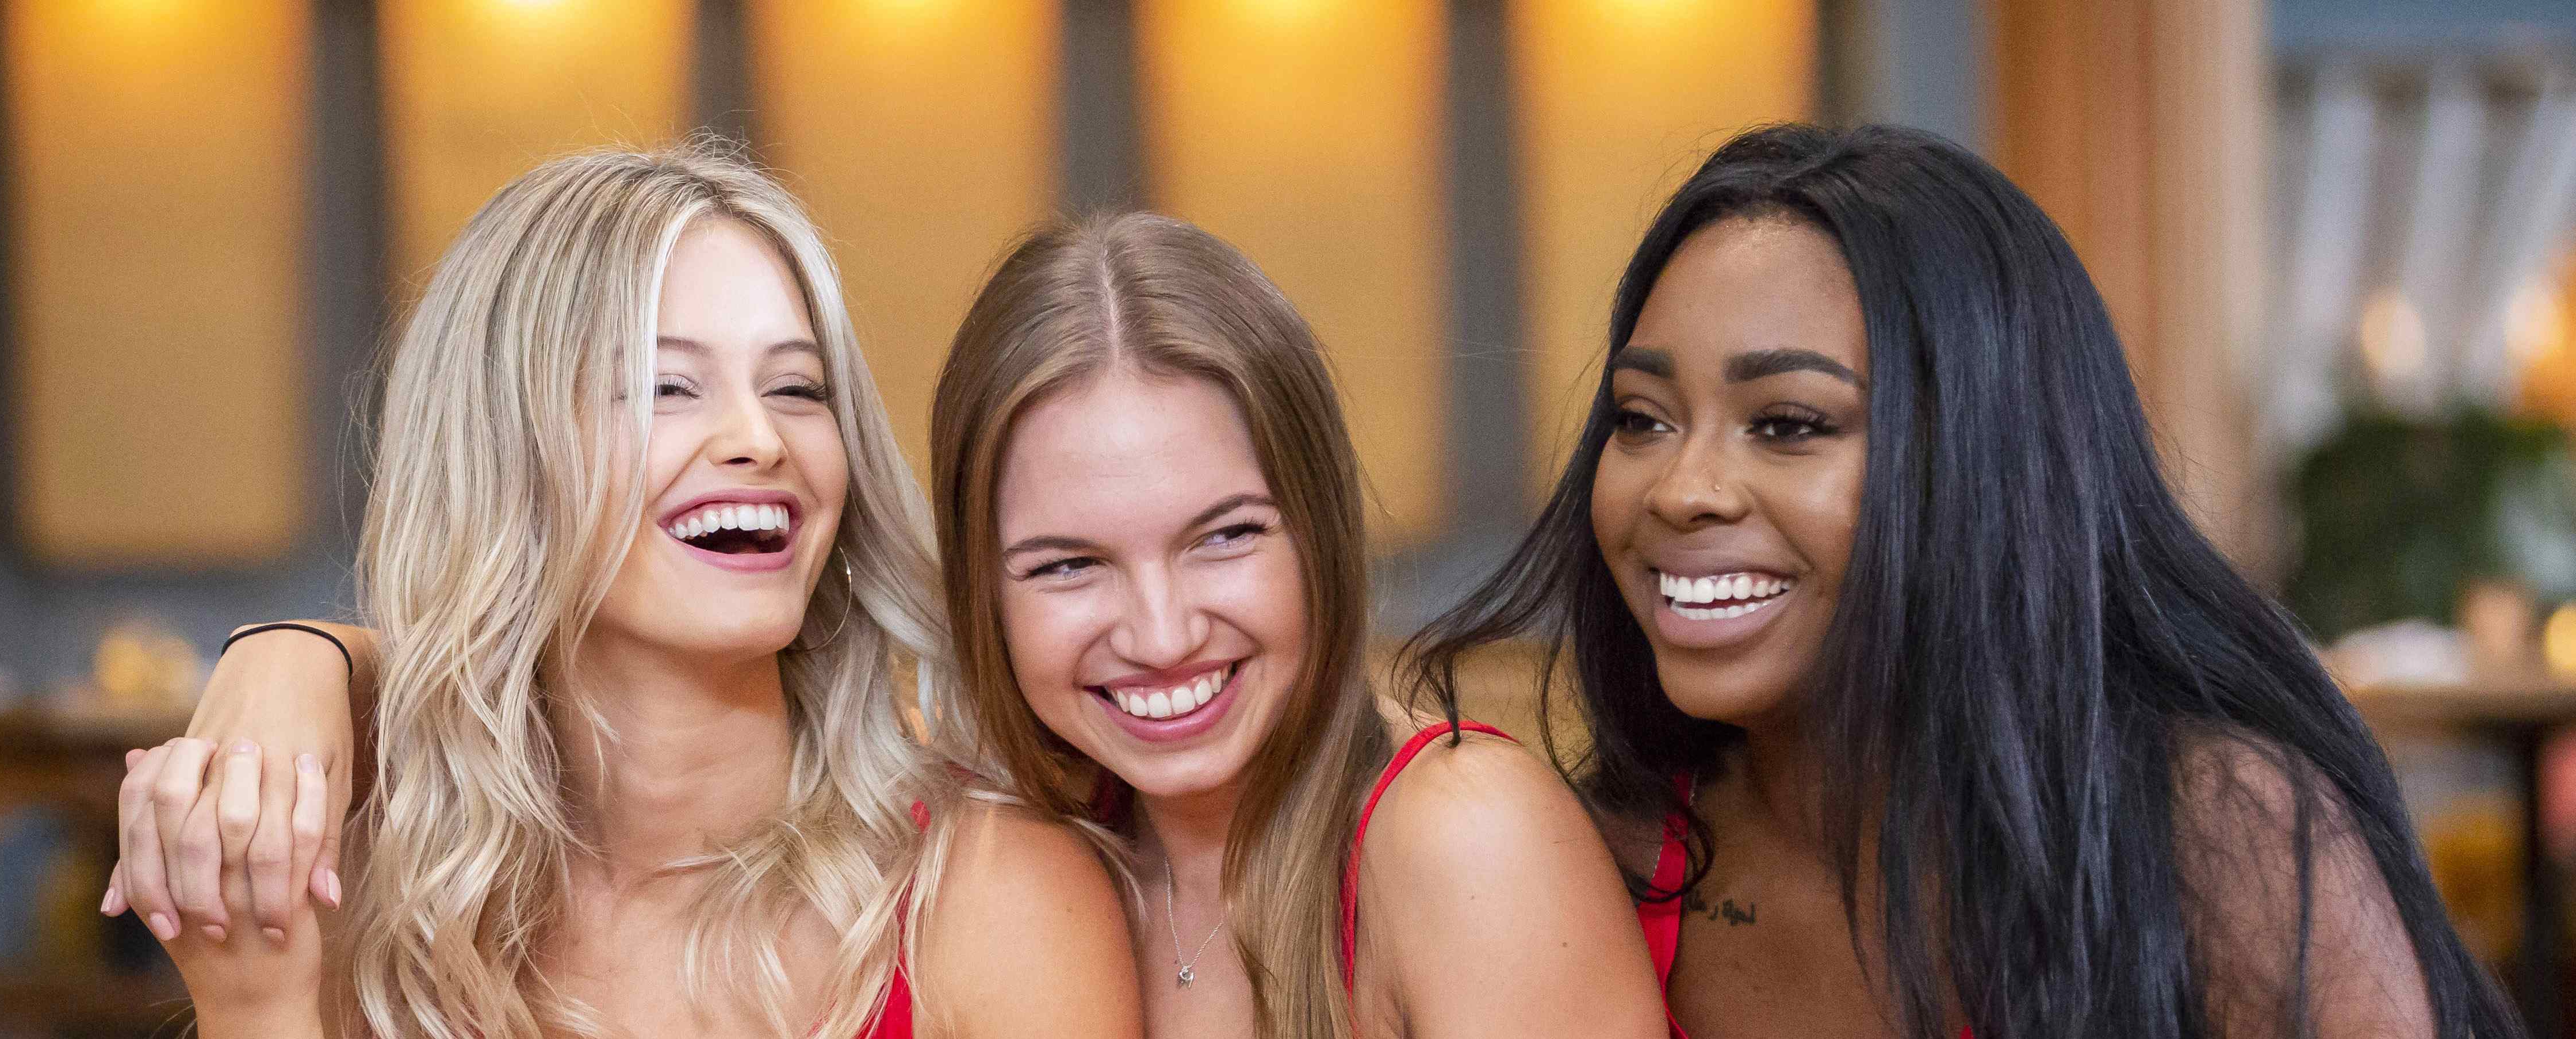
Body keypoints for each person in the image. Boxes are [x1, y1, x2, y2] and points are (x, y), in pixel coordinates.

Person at [1402, 124, 2525, 1039]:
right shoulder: (1597, 870)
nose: (1682, 489)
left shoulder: (2208, 840)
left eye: (1789, 424)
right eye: (1643, 420)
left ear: (1985, 457)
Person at [102, 143, 1140, 1038]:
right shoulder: (370, 886)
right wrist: (255, 1007)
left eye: (797, 388)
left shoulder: (993, 896)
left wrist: (296, 651)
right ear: (507, 456)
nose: (758, 438)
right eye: (666, 387)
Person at [926, 213, 1667, 1038]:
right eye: (1069, 564)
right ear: (981, 590)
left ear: (1319, 529)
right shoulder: (1005, 873)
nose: (1163, 635)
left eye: (1224, 535)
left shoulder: (1467, 837)